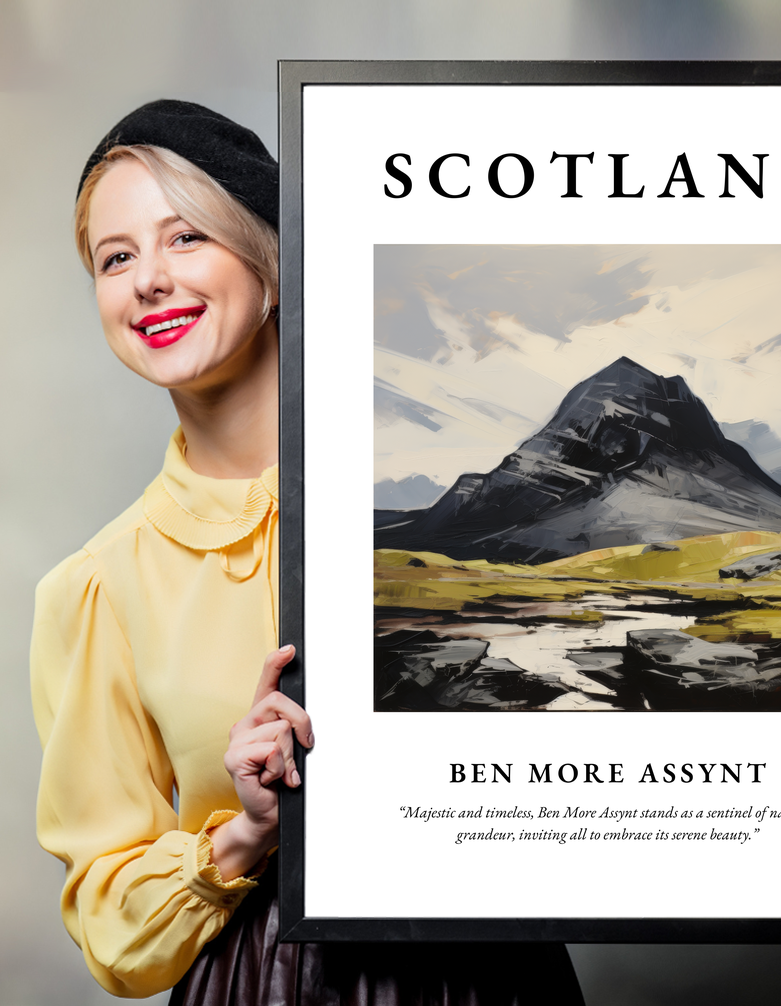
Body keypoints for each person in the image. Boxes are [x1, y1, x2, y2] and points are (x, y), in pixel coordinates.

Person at [30, 100, 586, 1004]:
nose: (148, 281)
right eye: (116, 257)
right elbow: (110, 924)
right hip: (262, 982)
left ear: (273, 263)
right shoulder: (97, 587)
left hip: (493, 974)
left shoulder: (439, 503)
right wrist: (245, 832)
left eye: (185, 239)